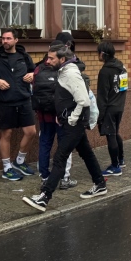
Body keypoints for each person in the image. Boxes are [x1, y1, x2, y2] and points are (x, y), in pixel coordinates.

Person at [23, 44, 107, 212]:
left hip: (73, 124)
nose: (48, 61)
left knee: (60, 158)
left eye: (51, 58)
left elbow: (84, 101)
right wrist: (62, 114)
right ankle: (100, 184)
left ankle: (44, 197)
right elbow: (67, 98)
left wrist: (72, 118)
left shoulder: (71, 74)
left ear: (62, 59)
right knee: (86, 153)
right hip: (71, 122)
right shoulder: (64, 71)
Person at [0, 28, 36, 181]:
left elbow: (34, 71)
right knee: (7, 134)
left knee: (31, 132)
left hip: (24, 99)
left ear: (16, 40)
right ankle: (6, 168)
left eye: (8, 38)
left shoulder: (24, 56)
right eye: (3, 38)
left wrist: (33, 75)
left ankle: (19, 161)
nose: (5, 41)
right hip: (5, 101)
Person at [33, 41, 76, 191]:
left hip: (43, 115)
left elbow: (34, 90)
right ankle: (64, 178)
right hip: (61, 115)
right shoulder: (63, 70)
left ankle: (45, 178)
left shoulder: (38, 69)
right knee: (64, 146)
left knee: (45, 144)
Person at [96, 40, 128, 177]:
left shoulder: (105, 72)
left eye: (98, 52)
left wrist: (100, 116)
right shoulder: (121, 67)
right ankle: (121, 160)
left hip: (109, 108)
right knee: (115, 133)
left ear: (102, 54)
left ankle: (115, 167)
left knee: (111, 136)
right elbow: (124, 88)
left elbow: (102, 96)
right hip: (119, 106)